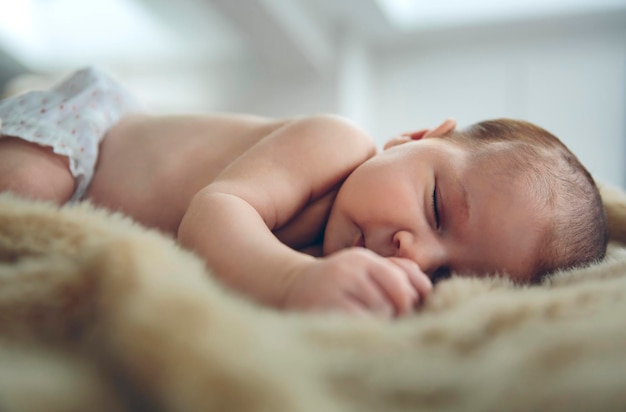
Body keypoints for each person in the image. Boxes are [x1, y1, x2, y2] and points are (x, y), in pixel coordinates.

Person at [0, 67, 608, 318]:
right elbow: (215, 211)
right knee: (21, 193)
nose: (413, 253)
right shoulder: (335, 144)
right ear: (417, 137)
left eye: (443, 276)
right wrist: (293, 282)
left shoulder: (341, 267)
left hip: (99, 200)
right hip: (89, 140)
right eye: (436, 209)